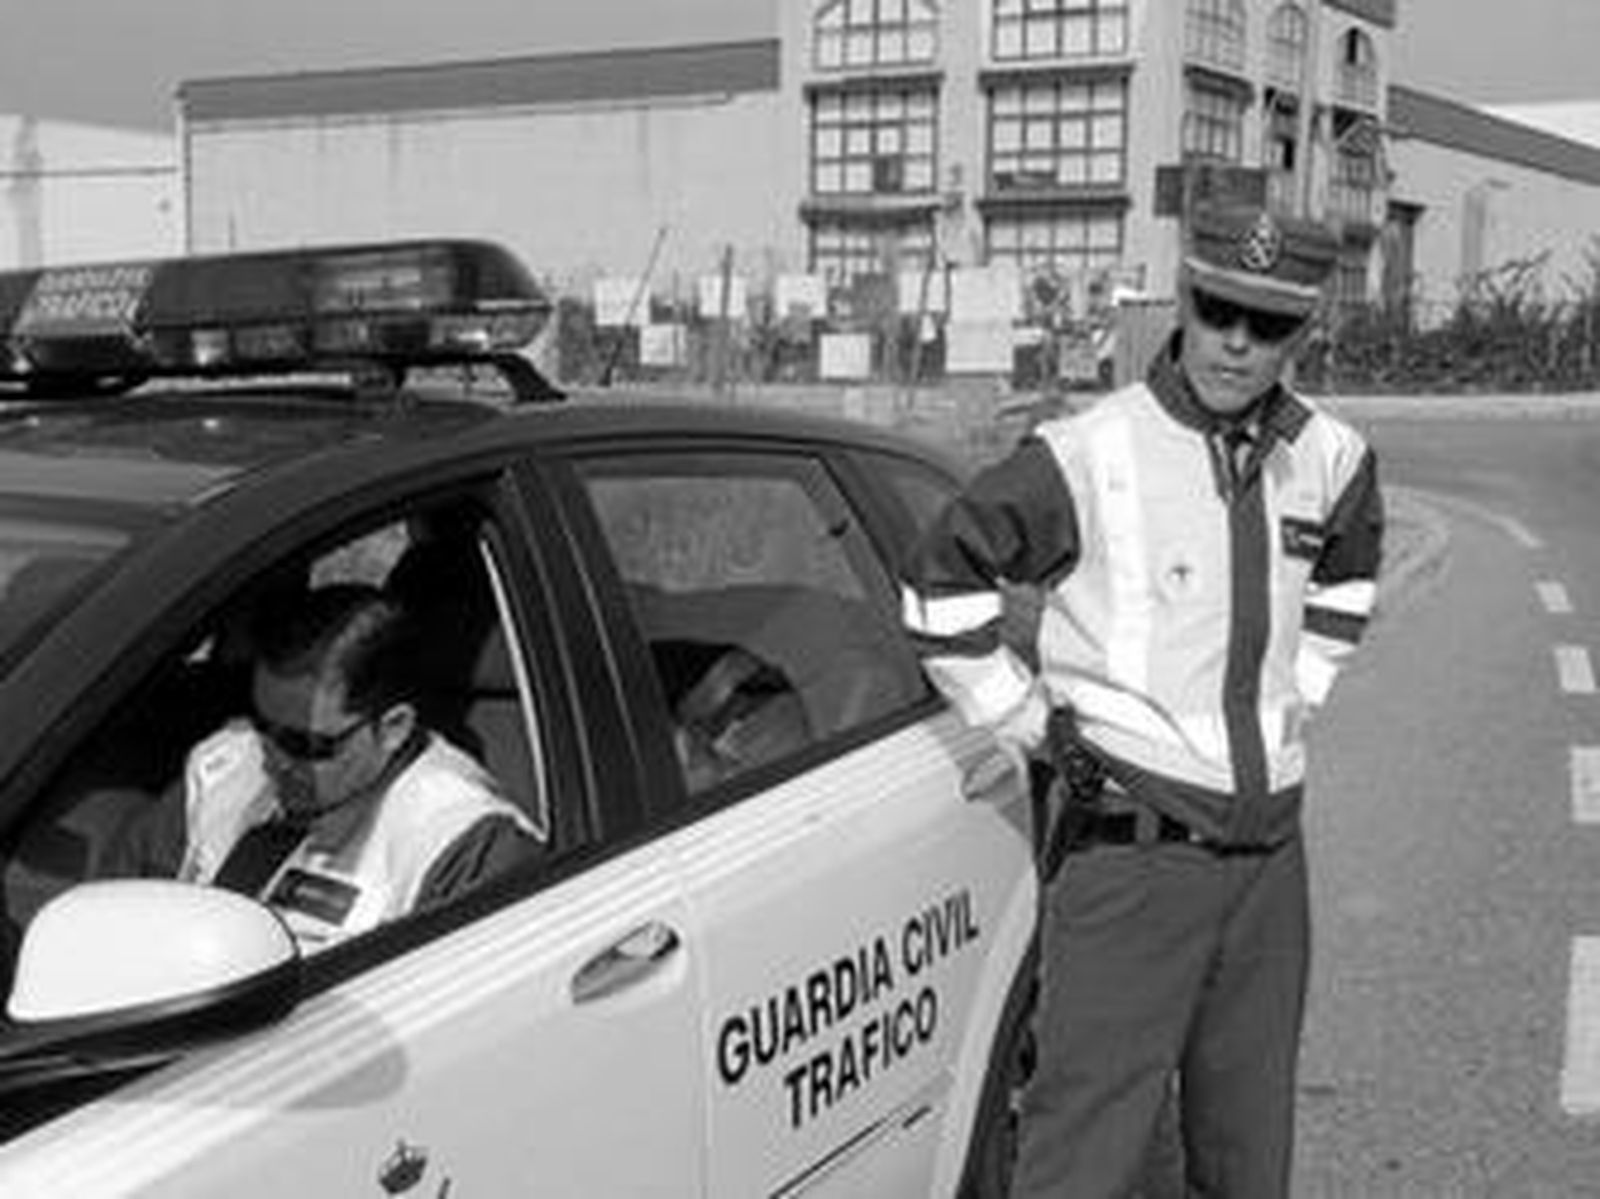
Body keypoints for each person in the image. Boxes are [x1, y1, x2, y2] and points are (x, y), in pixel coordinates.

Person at [900, 202, 1385, 1198]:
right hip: (1131, 858)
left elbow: (1348, 580)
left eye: (1267, 324)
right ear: (1186, 300)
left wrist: (1296, 699)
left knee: (1247, 1151)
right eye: (1217, 312)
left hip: (1267, 863)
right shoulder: (1090, 449)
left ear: (1301, 331)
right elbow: (940, 585)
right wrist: (1027, 722)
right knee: (1084, 1153)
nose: (1237, 342)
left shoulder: (1331, 455)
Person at [107, 583, 536, 953]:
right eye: (263, 725)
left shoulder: (461, 845)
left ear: (393, 728)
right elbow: (119, 914)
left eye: (306, 744)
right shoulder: (222, 768)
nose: (273, 759)